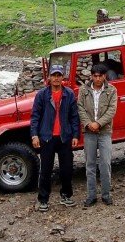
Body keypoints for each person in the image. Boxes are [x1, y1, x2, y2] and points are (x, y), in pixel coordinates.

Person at [30, 64, 80, 211]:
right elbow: (35, 116)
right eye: (54, 75)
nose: (56, 78)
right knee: (45, 170)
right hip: (47, 137)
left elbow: (74, 116)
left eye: (59, 75)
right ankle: (43, 199)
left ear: (62, 77)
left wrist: (76, 134)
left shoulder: (69, 94)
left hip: (65, 137)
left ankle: (66, 195)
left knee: (67, 169)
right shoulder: (42, 95)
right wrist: (34, 135)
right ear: (49, 78)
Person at [77, 64, 118, 207]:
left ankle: (106, 195)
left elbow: (112, 110)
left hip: (105, 131)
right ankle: (91, 195)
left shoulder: (112, 90)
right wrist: (88, 124)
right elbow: (80, 108)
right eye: (95, 76)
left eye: (100, 76)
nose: (98, 78)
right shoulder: (83, 90)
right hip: (89, 132)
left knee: (105, 163)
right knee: (90, 164)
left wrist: (98, 123)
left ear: (105, 76)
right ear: (91, 76)